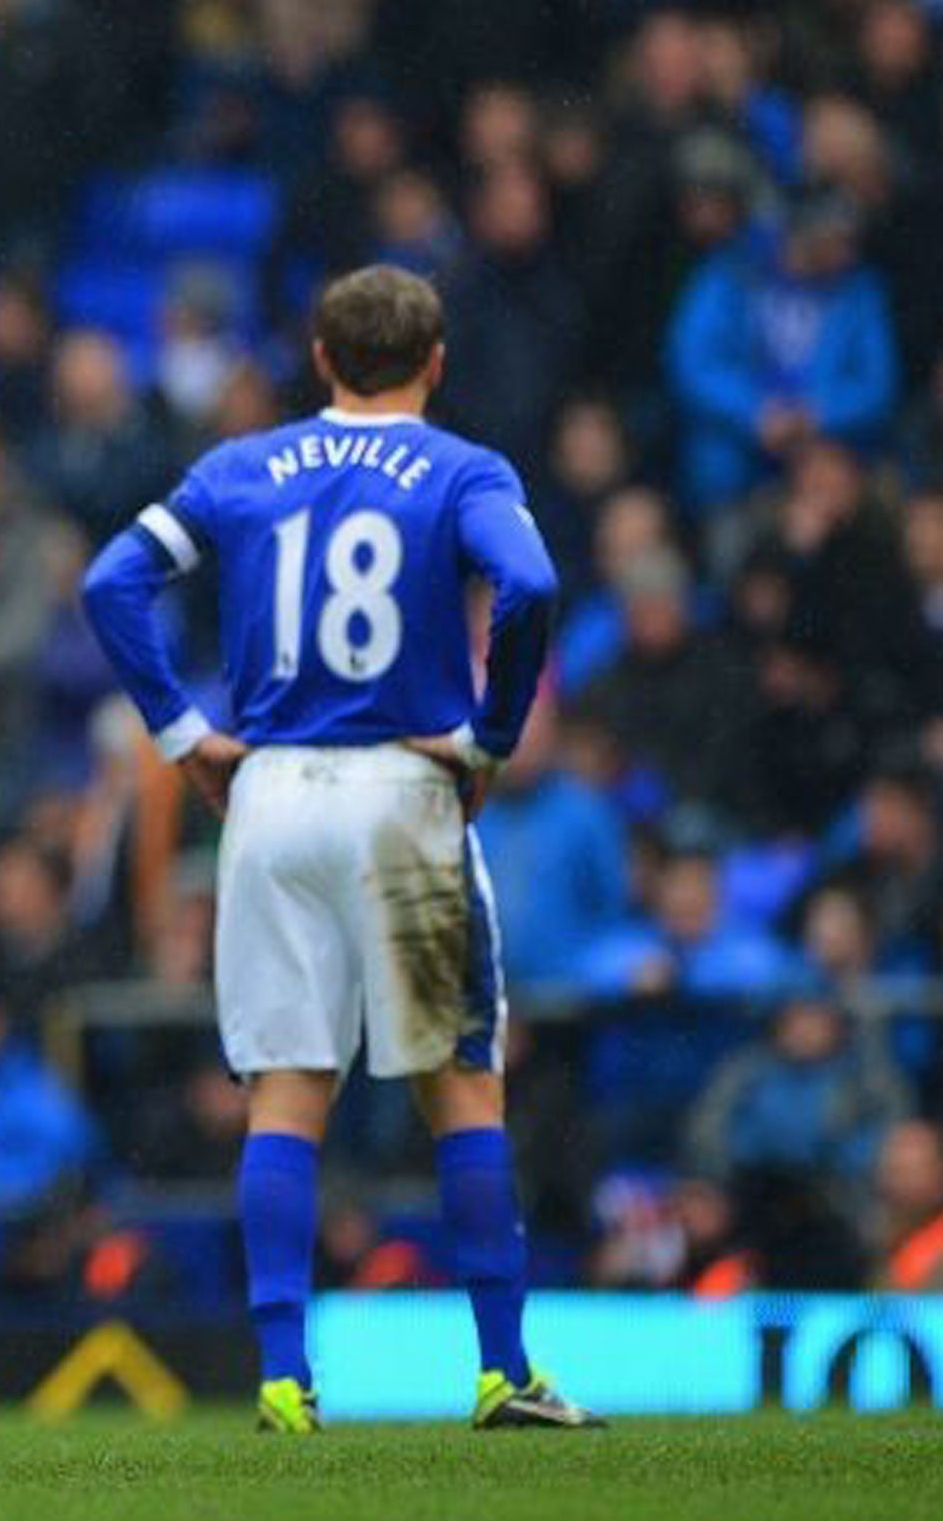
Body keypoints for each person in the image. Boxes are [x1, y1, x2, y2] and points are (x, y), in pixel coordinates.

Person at [81, 264, 600, 1434]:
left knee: (285, 1093)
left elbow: (112, 580)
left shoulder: (239, 467)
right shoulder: (464, 470)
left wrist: (180, 735)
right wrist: (488, 739)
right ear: (435, 361)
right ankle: (503, 1373)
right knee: (456, 1086)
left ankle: (280, 1381)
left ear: (317, 358)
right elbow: (527, 582)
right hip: (400, 789)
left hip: (266, 797)